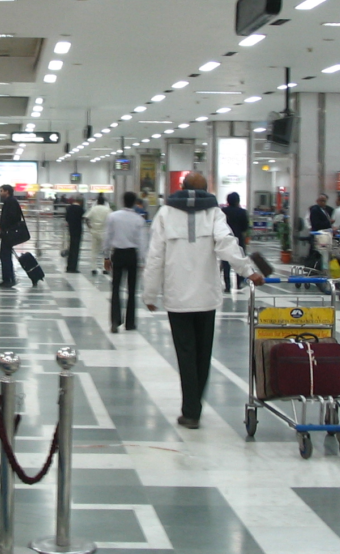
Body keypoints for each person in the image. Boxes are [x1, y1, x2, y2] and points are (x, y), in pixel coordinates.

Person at [142, 172, 265, 429]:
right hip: (207, 296)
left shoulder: (165, 213)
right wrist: (248, 271)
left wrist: (150, 293)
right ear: (207, 189)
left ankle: (191, 411)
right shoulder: (214, 213)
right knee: (203, 353)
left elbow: (155, 256)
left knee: (185, 353)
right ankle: (194, 406)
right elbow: (227, 244)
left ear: (181, 187)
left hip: (177, 297)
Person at [103, 191, 145, 333]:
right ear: (134, 202)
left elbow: (107, 237)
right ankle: (130, 323)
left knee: (116, 288)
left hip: (118, 254)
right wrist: (142, 260)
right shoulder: (139, 219)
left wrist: (106, 256)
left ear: (122, 201)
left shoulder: (113, 217)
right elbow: (141, 242)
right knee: (132, 290)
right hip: (132, 255)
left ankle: (115, 321)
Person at [0, 184, 25, 288]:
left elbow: (11, 218)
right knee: (5, 256)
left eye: (1, 191)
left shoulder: (10, 202)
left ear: (7, 192)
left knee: (5, 256)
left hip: (8, 233)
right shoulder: (11, 201)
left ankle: (8, 279)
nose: (0, 193)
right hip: (8, 233)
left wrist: (2, 227)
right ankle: (7, 278)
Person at [220, 192, 250, 292]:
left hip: (225, 238)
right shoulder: (242, 212)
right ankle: (238, 283)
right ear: (238, 200)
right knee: (239, 260)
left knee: (226, 263)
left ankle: (227, 285)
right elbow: (245, 227)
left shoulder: (223, 211)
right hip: (238, 239)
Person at [86, 193, 111, 267]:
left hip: (94, 231)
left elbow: (86, 218)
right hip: (104, 232)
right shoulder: (107, 209)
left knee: (94, 250)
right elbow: (112, 219)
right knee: (105, 251)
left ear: (97, 202)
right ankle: (105, 268)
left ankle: (93, 268)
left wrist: (89, 227)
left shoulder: (93, 209)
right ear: (104, 202)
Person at [64, 194, 85, 273]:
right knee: (76, 249)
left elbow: (66, 218)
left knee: (71, 248)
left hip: (71, 230)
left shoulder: (69, 208)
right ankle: (74, 267)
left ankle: (69, 266)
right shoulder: (80, 209)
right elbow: (83, 218)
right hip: (78, 230)